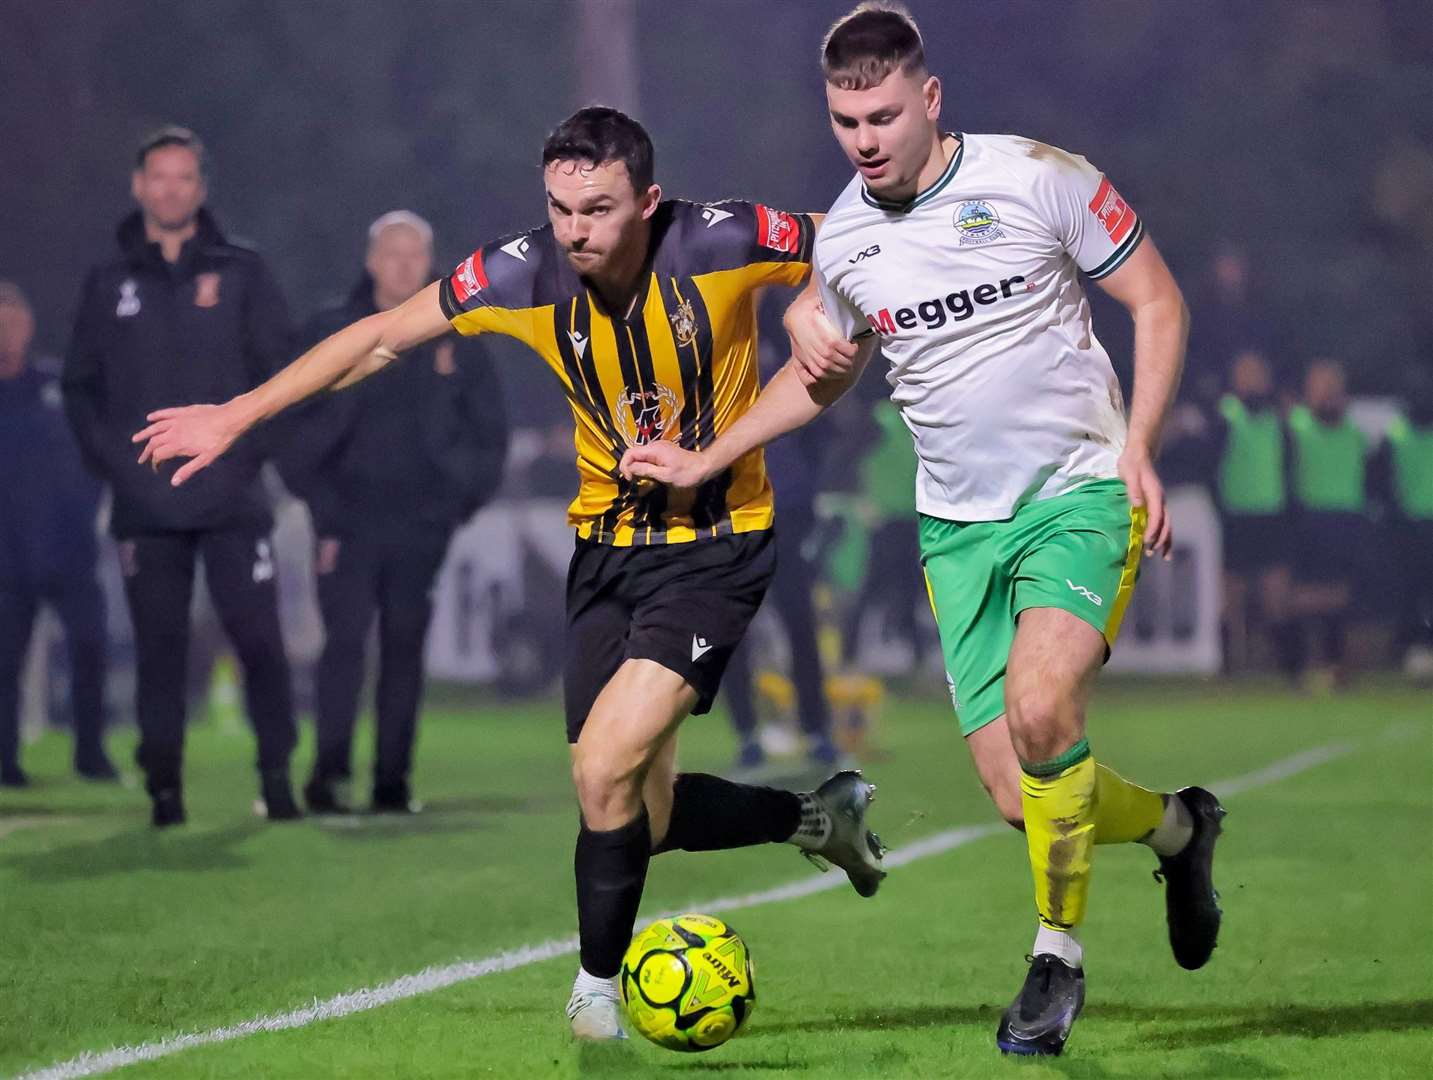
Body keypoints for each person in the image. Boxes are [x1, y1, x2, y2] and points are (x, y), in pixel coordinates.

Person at [128, 107, 887, 1041]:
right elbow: (376, 338)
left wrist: (819, 302)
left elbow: (857, 233)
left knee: (606, 766)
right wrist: (238, 413)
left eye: (599, 209)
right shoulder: (520, 272)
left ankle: (595, 995)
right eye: (561, 208)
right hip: (603, 556)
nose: (575, 231)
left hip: (716, 544)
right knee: (631, 814)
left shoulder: (719, 238)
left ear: (648, 202)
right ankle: (818, 820)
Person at [622, 4, 1225, 1056]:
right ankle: (1178, 828)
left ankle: (1053, 960)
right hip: (954, 532)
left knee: (1043, 716)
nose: (865, 139)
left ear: (929, 99)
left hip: (1076, 494)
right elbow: (817, 383)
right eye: (845, 120)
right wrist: (707, 456)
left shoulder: (1038, 176)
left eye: (884, 115)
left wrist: (1138, 446)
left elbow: (1158, 302)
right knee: (1015, 795)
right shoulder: (847, 238)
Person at [63, 127, 301, 827]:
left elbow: (282, 377)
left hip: (232, 499)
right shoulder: (108, 283)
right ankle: (164, 789)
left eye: (183, 178)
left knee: (259, 642)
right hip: (146, 508)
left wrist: (248, 459)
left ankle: (276, 778)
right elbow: (82, 390)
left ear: (201, 189)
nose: (170, 190)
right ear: (139, 186)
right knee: (160, 651)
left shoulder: (242, 273)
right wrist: (118, 469)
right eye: (158, 177)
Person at [281, 211, 509, 814]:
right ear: (371, 260)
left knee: (405, 652)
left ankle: (391, 783)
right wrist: (324, 511)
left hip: (420, 526)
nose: (405, 265)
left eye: (416, 254)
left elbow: (489, 434)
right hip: (346, 524)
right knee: (344, 648)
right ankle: (328, 777)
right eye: (393, 253)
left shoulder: (460, 337)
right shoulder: (332, 329)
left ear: (431, 262)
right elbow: (292, 428)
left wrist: (457, 504)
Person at [0, 282, 116, 786]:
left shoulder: (57, 387)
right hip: (7, 556)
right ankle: (5, 762)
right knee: (6, 662)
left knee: (91, 648)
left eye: (12, 320)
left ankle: (91, 753)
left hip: (70, 551)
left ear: (28, 326)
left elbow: (96, 455)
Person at [722, 287, 841, 775]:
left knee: (799, 621)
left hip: (785, 506)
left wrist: (805, 488)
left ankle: (817, 731)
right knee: (729, 628)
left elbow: (819, 414)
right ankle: (748, 734)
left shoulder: (782, 336)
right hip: (727, 508)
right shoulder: (711, 344)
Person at [1286, 358, 1371, 690]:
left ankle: (1336, 667)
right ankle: (1304, 665)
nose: (1328, 394)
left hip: (1347, 519)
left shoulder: (1355, 430)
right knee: (1306, 595)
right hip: (1308, 517)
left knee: (1342, 596)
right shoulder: (1294, 426)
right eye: (1321, 387)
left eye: (1333, 387)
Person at [1213, 349, 1298, 675]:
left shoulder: (1279, 419)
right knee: (1232, 598)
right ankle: (1229, 665)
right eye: (1247, 373)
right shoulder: (1224, 416)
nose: (1254, 380)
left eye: (1258, 373)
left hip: (1272, 517)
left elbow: (1289, 465)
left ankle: (1285, 666)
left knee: (1276, 597)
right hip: (1236, 517)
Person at [1372, 360, 1433, 680]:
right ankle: (1411, 650)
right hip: (1409, 529)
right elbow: (1383, 485)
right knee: (1411, 595)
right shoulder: (1395, 436)